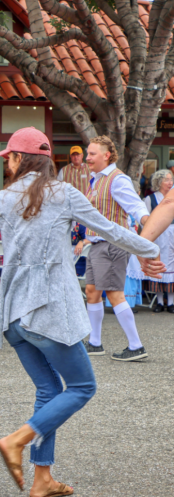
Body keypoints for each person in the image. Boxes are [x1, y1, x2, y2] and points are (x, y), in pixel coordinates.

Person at [0, 127, 160, 497]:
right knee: (82, 387)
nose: (7, 165)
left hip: (14, 315)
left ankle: (42, 478)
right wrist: (150, 251)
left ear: (19, 158)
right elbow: (110, 230)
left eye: (9, 158)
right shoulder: (64, 193)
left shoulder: (1, 198)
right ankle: (18, 439)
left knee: (49, 389)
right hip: (47, 311)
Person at [83, 136, 152, 361]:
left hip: (112, 245)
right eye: (88, 153)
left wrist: (147, 227)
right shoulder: (96, 179)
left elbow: (136, 205)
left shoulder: (117, 179)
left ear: (107, 155)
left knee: (114, 294)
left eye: (93, 153)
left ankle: (136, 346)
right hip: (96, 244)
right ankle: (94, 343)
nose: (87, 157)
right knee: (92, 292)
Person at [142, 169, 174, 312]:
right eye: (167, 180)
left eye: (171, 179)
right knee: (158, 263)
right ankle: (160, 302)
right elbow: (146, 220)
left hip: (172, 233)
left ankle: (171, 302)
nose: (170, 182)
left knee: (172, 265)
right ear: (159, 182)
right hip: (158, 235)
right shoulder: (151, 199)